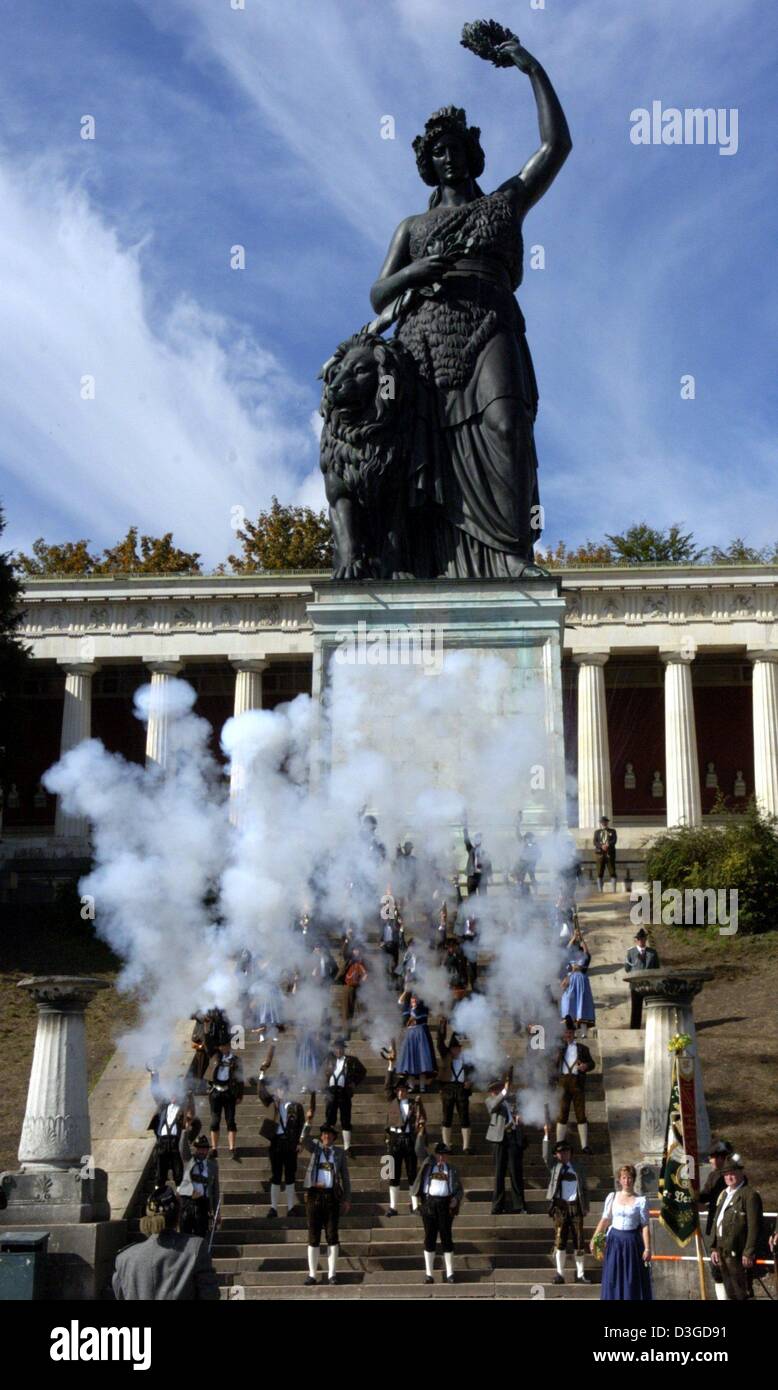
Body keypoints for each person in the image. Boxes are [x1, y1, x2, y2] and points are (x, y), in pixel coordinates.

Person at [369, 39, 571, 579]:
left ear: (470, 152)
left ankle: (508, 555)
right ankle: (431, 562)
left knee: (506, 425)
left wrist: (530, 66)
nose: (448, 155)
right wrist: (418, 272)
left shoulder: (503, 203)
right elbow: (378, 293)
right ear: (428, 164)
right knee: (428, 452)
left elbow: (556, 146)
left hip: (490, 324)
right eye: (438, 151)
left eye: (456, 146)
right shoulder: (411, 228)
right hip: (426, 339)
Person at [112, 1185, 219, 1301]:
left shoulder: (124, 1258)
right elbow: (210, 1295)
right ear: (178, 1215)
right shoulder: (195, 1248)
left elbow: (119, 1294)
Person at [301, 1120, 352, 1286]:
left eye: (329, 1134)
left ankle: (332, 1274)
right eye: (323, 1134)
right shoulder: (315, 1147)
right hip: (314, 1195)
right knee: (313, 1235)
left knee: (332, 1235)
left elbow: (346, 1177)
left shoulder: (339, 1153)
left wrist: (347, 1198)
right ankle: (312, 1274)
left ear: (334, 1137)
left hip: (332, 1196)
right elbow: (303, 1138)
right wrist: (308, 1121)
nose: (326, 1136)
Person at [591, 1163, 652, 1300]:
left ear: (634, 1179)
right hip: (614, 1241)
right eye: (624, 1178)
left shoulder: (641, 1201)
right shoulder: (612, 1197)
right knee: (613, 1275)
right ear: (619, 1180)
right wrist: (595, 1238)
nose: (627, 1181)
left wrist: (647, 1248)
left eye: (629, 1178)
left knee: (631, 1277)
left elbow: (645, 1225)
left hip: (632, 1243)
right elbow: (605, 1220)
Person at [710, 1158, 764, 1301]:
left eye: (732, 1173)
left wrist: (748, 1252)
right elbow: (718, 1222)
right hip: (723, 1251)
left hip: (739, 1253)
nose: (729, 1177)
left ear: (741, 1172)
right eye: (726, 1174)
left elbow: (754, 1226)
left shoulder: (749, 1195)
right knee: (730, 1292)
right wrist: (714, 1248)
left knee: (742, 1293)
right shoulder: (725, 1195)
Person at [412, 1134, 463, 1284]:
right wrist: (421, 1132)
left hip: (446, 1205)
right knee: (430, 1237)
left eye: (444, 1155)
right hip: (429, 1204)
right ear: (435, 1155)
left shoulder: (452, 1170)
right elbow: (418, 1149)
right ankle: (429, 1274)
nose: (442, 1158)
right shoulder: (428, 1164)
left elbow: (459, 1190)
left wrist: (455, 1199)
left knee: (447, 1238)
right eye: (440, 1155)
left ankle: (450, 1274)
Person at [543, 1128, 591, 1285]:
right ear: (556, 1154)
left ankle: (580, 1274)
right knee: (560, 1241)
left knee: (579, 1241)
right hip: (560, 1208)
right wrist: (546, 1136)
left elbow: (585, 1188)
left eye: (566, 1152)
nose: (563, 1155)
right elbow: (545, 1156)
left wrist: (586, 1206)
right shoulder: (555, 1167)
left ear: (571, 1153)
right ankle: (560, 1274)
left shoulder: (579, 1168)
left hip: (576, 1207)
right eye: (560, 1153)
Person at [258, 1074, 309, 1218]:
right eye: (279, 1088)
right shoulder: (273, 1103)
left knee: (290, 1175)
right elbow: (262, 1093)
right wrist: (262, 1076)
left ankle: (290, 1207)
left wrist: (300, 1142)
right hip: (276, 1142)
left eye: (284, 1088)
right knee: (275, 1175)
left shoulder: (296, 1106)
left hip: (290, 1143)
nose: (281, 1090)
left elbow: (301, 1125)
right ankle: (273, 1208)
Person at [485, 1077, 528, 1214]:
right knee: (499, 1173)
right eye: (494, 1089)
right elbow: (493, 1107)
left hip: (513, 1136)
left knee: (516, 1173)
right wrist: (504, 1093)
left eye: (497, 1088)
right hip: (499, 1138)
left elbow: (521, 1110)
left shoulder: (511, 1099)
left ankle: (519, 1205)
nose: (494, 1091)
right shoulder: (490, 1100)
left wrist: (520, 1117)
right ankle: (497, 1206)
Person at [385, 1075, 426, 1216]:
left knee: (412, 1173)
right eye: (398, 1090)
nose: (401, 1092)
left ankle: (415, 1206)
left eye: (403, 1090)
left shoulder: (414, 1104)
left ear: (407, 1091)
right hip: (394, 1140)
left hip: (409, 1140)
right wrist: (390, 1067)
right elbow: (387, 1086)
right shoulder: (392, 1101)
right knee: (392, 1174)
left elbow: (421, 1120)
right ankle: (393, 1207)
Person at [698, 1139, 734, 1301]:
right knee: (717, 1269)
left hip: (728, 1228)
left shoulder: (732, 1178)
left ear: (721, 1158)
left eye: (713, 1157)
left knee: (728, 1269)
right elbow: (706, 1194)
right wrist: (693, 1194)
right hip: (714, 1226)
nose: (710, 1160)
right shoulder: (713, 1175)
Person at [553, 1018, 594, 1153]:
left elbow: (592, 1064)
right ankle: (559, 1143)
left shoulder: (583, 1049)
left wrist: (585, 1066)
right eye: (566, 1033)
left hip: (577, 1083)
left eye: (570, 1033)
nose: (568, 1035)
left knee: (581, 1114)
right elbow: (553, 1065)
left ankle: (585, 1145)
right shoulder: (558, 1048)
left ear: (573, 1033)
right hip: (563, 1083)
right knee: (562, 1114)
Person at [147, 1071, 193, 1187]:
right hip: (162, 1142)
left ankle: (179, 1195)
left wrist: (189, 1097)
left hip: (174, 1143)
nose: (174, 1096)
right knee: (160, 1172)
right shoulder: (164, 1105)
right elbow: (155, 1093)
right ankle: (157, 1194)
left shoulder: (183, 1108)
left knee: (178, 1171)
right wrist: (154, 1076)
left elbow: (190, 1115)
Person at [324, 1037, 367, 1152]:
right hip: (331, 1092)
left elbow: (363, 1071)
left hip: (344, 1092)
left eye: (340, 1049)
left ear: (343, 1049)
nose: (338, 1051)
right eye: (336, 1049)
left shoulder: (351, 1060)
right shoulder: (329, 1060)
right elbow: (324, 1073)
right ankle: (328, 1144)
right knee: (330, 1118)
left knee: (346, 1118)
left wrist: (354, 1083)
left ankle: (347, 1146)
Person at [437, 1021, 474, 1154]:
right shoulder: (446, 1055)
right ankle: (447, 1145)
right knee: (447, 1117)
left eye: (458, 1047)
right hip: (448, 1088)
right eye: (454, 1047)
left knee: (465, 1117)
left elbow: (474, 1073)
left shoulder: (467, 1059)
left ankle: (466, 1146)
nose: (456, 1049)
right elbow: (439, 1041)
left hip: (462, 1089)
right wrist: (442, 1025)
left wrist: (470, 1082)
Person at [206, 1039, 244, 1161]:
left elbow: (240, 1078)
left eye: (224, 1046)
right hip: (216, 1092)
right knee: (214, 1121)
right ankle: (214, 1148)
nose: (222, 1048)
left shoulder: (236, 1060)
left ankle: (232, 1148)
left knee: (231, 1120)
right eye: (221, 1046)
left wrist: (239, 1095)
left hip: (229, 1092)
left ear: (228, 1046)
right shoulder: (215, 1057)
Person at [178, 1133, 220, 1239]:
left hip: (203, 1204)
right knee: (185, 1235)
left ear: (207, 1150)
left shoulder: (212, 1166)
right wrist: (185, 1130)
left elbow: (215, 1190)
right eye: (199, 1148)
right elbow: (182, 1148)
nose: (201, 1151)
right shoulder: (189, 1160)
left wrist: (217, 1212)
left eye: (204, 1149)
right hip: (187, 1202)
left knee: (200, 1236)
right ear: (196, 1149)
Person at [559, 925, 595, 1034]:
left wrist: (581, 938)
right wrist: (574, 937)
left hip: (581, 981)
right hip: (570, 981)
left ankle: (584, 1032)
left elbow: (587, 952)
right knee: (567, 1002)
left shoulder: (584, 957)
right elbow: (567, 950)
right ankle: (569, 1028)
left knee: (582, 1004)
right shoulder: (569, 957)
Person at [397, 992, 436, 1091]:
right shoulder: (407, 1009)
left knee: (422, 1062)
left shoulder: (423, 1009)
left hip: (420, 1035)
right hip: (410, 1035)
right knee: (409, 1062)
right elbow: (400, 1001)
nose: (413, 1000)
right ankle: (411, 1086)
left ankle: (422, 1087)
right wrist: (406, 991)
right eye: (412, 999)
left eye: (415, 999)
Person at [624, 929, 660, 1029]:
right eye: (639, 939)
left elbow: (657, 968)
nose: (641, 941)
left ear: (645, 939)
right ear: (636, 940)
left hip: (649, 984)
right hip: (636, 985)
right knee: (636, 1007)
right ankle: (635, 1028)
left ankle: (653, 1027)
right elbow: (627, 968)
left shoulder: (652, 953)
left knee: (651, 1006)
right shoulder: (631, 952)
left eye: (643, 939)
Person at [340, 947, 368, 1035]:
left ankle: (365, 1033)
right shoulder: (348, 960)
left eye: (358, 949)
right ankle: (346, 1033)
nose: (357, 951)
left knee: (363, 1010)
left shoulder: (364, 961)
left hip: (361, 987)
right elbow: (343, 951)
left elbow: (369, 972)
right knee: (347, 1010)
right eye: (355, 950)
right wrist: (347, 940)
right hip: (349, 986)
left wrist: (367, 976)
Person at [463, 824, 490, 897]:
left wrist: (489, 875)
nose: (477, 840)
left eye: (479, 838)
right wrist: (465, 828)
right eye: (476, 838)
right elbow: (466, 841)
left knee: (483, 897)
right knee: (471, 897)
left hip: (482, 876)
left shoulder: (485, 852)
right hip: (472, 876)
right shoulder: (471, 850)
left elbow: (488, 864)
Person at [593, 816, 617, 891]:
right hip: (600, 854)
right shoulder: (597, 832)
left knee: (612, 871)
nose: (604, 823)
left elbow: (614, 840)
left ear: (607, 822)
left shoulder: (612, 831)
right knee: (599, 872)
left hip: (609, 853)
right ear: (600, 823)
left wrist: (607, 845)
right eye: (603, 822)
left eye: (605, 822)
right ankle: (600, 890)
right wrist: (601, 846)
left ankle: (613, 890)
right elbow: (595, 842)